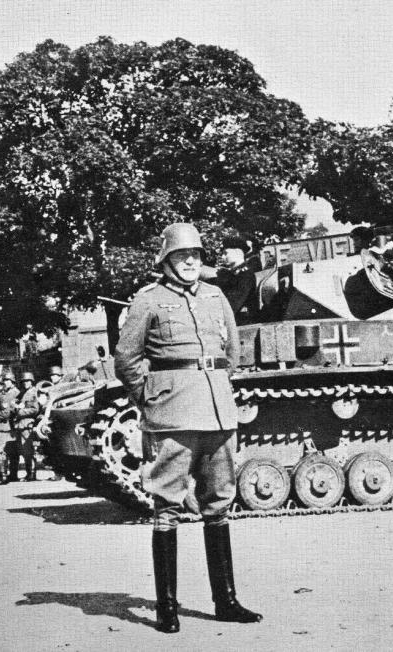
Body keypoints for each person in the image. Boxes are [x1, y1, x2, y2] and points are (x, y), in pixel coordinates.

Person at [114, 222, 261, 634]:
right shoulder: (149, 300)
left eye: (196, 255)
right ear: (166, 260)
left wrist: (217, 386)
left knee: (219, 505)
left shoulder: (215, 296)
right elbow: (126, 359)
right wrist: (151, 397)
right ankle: (167, 607)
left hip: (217, 413)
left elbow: (232, 351)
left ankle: (225, 601)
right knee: (168, 507)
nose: (191, 261)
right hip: (173, 414)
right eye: (182, 255)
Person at [10, 371, 40, 482]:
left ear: (31, 382)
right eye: (23, 381)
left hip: (28, 424)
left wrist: (20, 411)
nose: (25, 383)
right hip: (20, 425)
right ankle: (29, 473)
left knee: (28, 451)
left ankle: (31, 474)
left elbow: (35, 409)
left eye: (27, 381)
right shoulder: (22, 393)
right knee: (23, 450)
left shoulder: (34, 393)